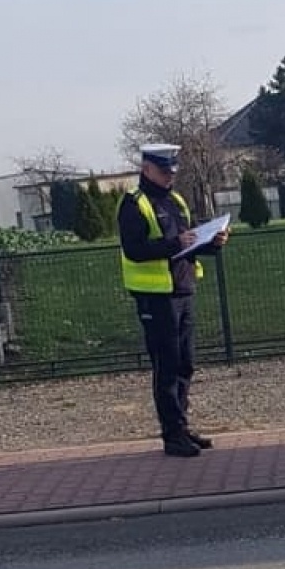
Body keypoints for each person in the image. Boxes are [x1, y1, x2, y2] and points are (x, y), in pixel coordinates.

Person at [117, 143, 229, 457]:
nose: (170, 178)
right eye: (164, 172)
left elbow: (187, 244)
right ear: (146, 169)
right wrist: (172, 243)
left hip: (182, 289)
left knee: (185, 364)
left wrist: (212, 242)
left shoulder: (176, 201)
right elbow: (135, 250)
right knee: (166, 367)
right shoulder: (134, 204)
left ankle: (181, 424)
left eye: (172, 172)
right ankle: (171, 435)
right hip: (155, 296)